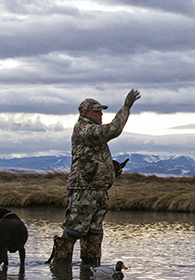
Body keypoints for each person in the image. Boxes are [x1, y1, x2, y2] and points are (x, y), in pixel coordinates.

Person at [49, 89, 140, 266]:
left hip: (98, 192)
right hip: (85, 191)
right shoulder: (84, 130)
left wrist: (112, 169)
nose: (101, 114)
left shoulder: (92, 131)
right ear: (85, 113)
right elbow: (113, 130)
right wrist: (126, 107)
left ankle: (89, 274)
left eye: (101, 111)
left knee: (94, 234)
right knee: (73, 231)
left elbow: (93, 159)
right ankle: (60, 271)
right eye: (97, 111)